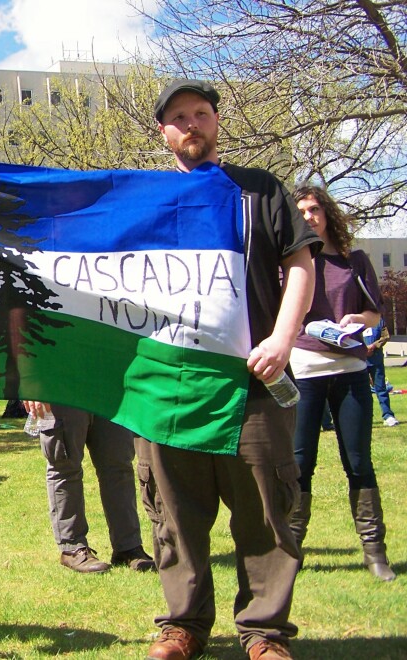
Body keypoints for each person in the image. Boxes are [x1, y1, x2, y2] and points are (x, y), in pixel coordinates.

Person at [137, 80, 321, 660]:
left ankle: (264, 634)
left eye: (201, 114)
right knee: (174, 513)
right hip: (169, 388)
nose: (191, 124)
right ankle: (183, 626)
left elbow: (301, 267)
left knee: (266, 511)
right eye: (179, 118)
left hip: (254, 386)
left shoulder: (261, 191)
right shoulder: (143, 201)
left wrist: (283, 340)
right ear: (164, 132)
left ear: (216, 121)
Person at [289, 185, 396, 583]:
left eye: (314, 208)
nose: (309, 216)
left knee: (358, 462)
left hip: (350, 368)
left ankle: (374, 554)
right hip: (305, 368)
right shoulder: (291, 262)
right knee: (300, 465)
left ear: (327, 213)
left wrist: (357, 322)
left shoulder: (355, 261)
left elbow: (374, 312)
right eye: (301, 211)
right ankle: (291, 553)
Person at [22, 402, 154, 574]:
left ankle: (128, 548)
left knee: (119, 467)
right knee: (64, 466)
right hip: (60, 386)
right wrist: (32, 385)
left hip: (109, 386)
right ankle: (72, 548)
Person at [364, 317, 399, 427]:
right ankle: (365, 417)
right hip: (360, 362)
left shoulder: (379, 320)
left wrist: (373, 346)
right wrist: (363, 349)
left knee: (381, 389)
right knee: (362, 392)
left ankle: (388, 415)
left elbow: (385, 336)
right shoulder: (355, 321)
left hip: (376, 361)